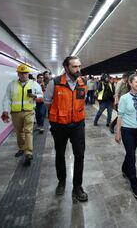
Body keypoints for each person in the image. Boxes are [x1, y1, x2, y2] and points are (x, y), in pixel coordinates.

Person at [44, 56, 88, 202]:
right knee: (60, 154)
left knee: (80, 155)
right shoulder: (55, 83)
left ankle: (77, 186)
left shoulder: (83, 82)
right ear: (66, 67)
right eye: (75, 67)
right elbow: (47, 102)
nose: (78, 69)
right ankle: (61, 181)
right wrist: (58, 116)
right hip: (59, 125)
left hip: (78, 124)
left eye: (79, 66)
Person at [2, 64, 43, 164]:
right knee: (19, 132)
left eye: (26, 73)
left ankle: (28, 153)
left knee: (28, 131)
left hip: (29, 111)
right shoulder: (12, 84)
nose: (24, 75)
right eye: (21, 73)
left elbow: (41, 95)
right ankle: (22, 148)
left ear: (28, 74)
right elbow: (7, 98)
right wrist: (5, 110)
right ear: (18, 74)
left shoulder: (34, 84)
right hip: (16, 113)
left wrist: (35, 95)